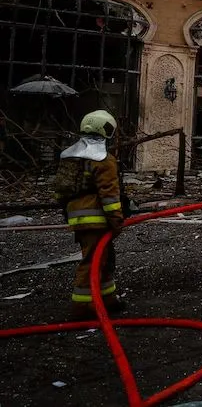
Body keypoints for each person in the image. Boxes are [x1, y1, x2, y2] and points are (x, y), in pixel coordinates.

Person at [53, 110, 127, 319]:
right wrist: (117, 222)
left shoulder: (69, 156)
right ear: (108, 131)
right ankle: (84, 308)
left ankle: (108, 299)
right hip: (97, 219)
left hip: (77, 216)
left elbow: (61, 191)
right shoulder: (103, 160)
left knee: (105, 259)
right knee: (93, 261)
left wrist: (68, 214)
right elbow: (110, 196)